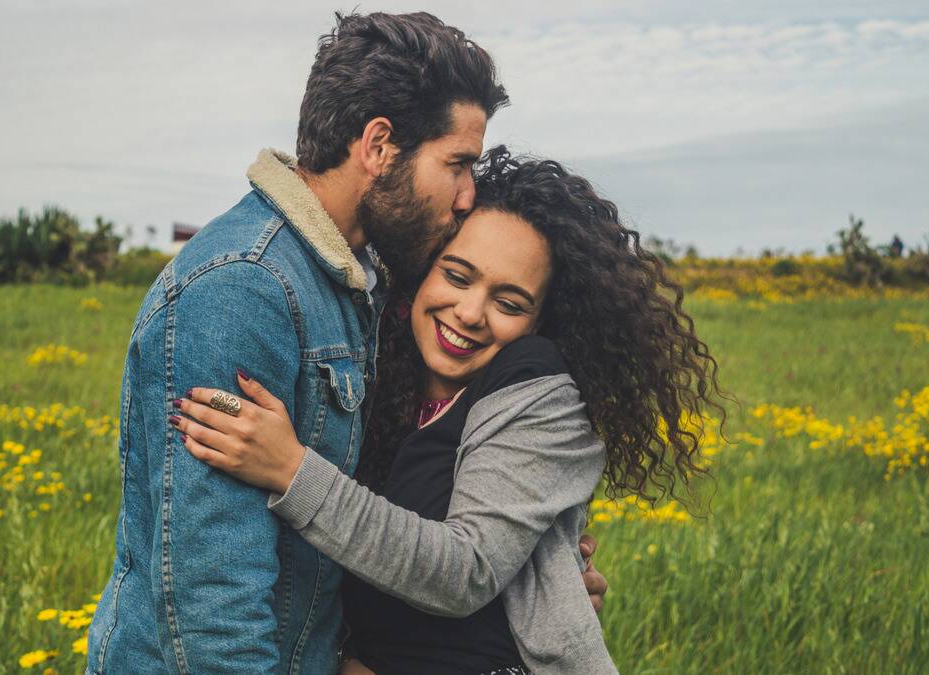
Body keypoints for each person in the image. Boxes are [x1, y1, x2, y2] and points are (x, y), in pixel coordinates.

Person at [86, 13, 606, 674]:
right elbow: (209, 604)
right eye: (457, 164)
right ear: (379, 146)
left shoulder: (355, 285)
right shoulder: (245, 289)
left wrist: (541, 584)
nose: (468, 194)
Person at [172, 148, 727, 674]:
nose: (469, 312)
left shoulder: (539, 388)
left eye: (509, 303)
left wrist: (290, 470)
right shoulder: (378, 376)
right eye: (457, 276)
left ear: (539, 322)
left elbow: (464, 573)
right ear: (420, 274)